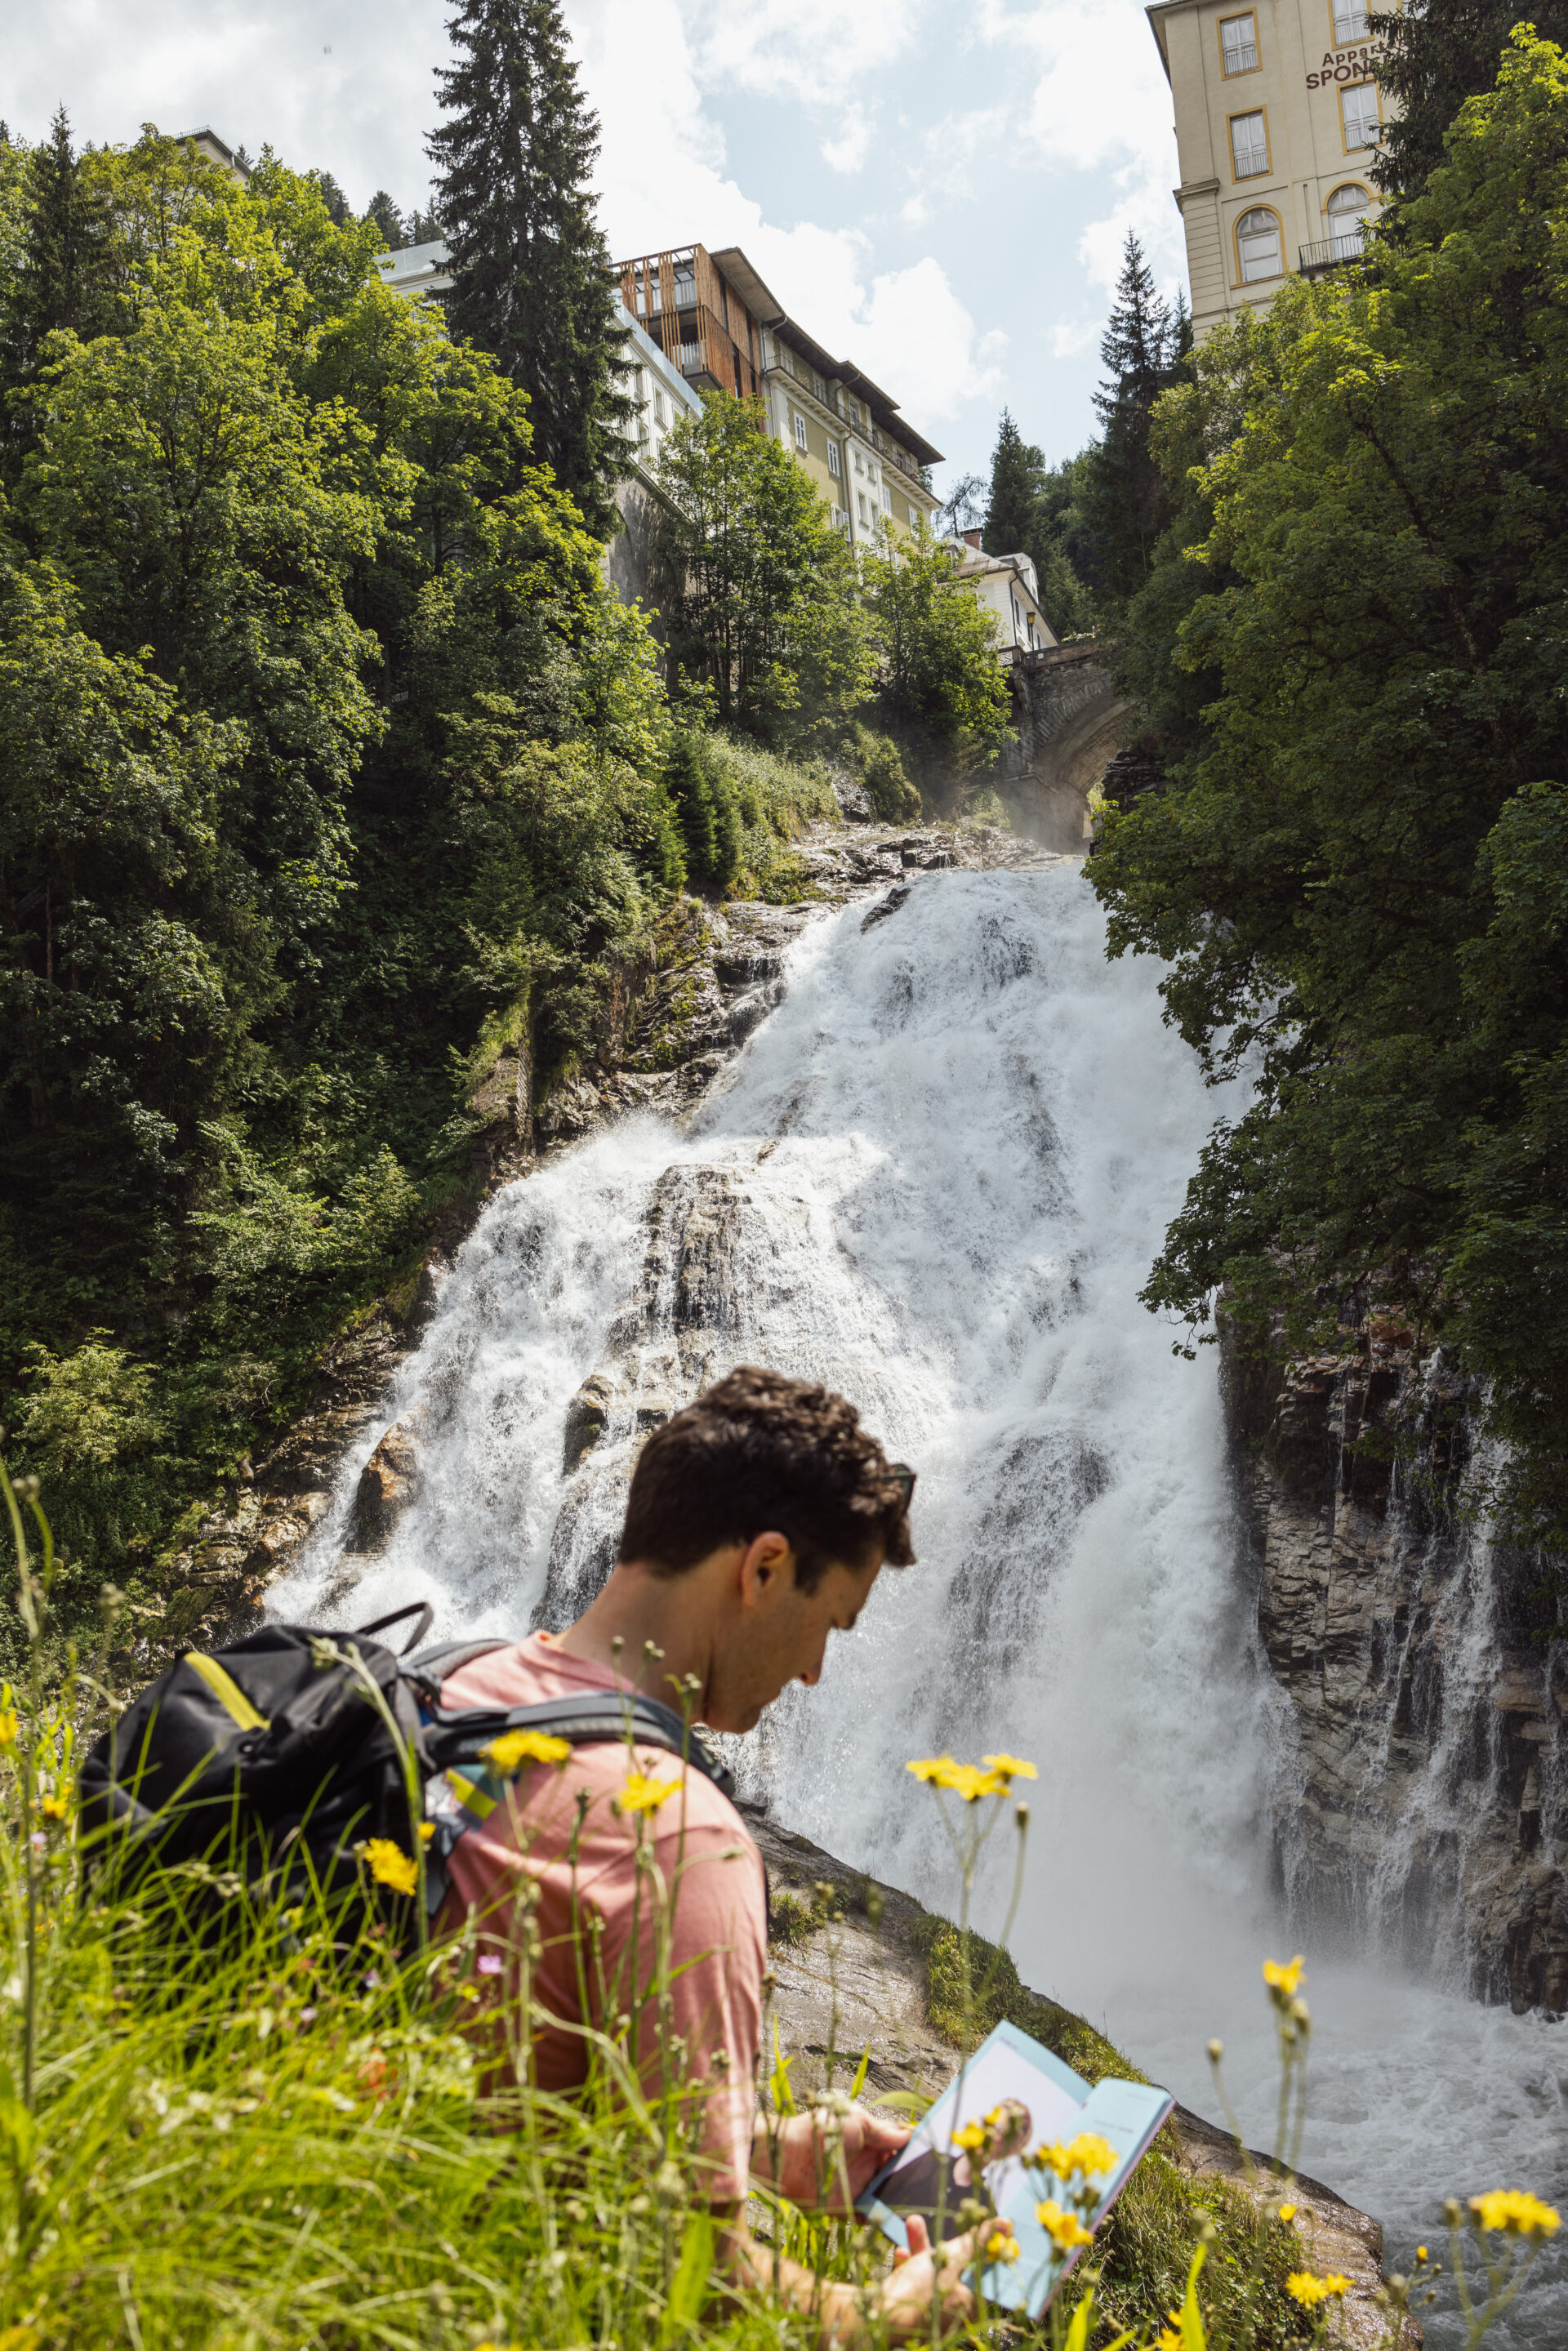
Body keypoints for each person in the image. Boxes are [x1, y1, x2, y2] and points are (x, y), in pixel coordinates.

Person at [434, 1365, 1009, 2343]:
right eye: (829, 1623)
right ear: (765, 1566)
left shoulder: (460, 1682)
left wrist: (756, 2146)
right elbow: (689, 2275)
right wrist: (884, 2312)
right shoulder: (682, 1837)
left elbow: (515, 2061)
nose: (816, 1671)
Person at [871, 2098, 1033, 2241]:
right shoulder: (930, 2161)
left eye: (998, 2130)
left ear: (1010, 2150)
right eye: (987, 2121)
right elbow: (876, 2201)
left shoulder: (985, 2212)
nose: (987, 2131)